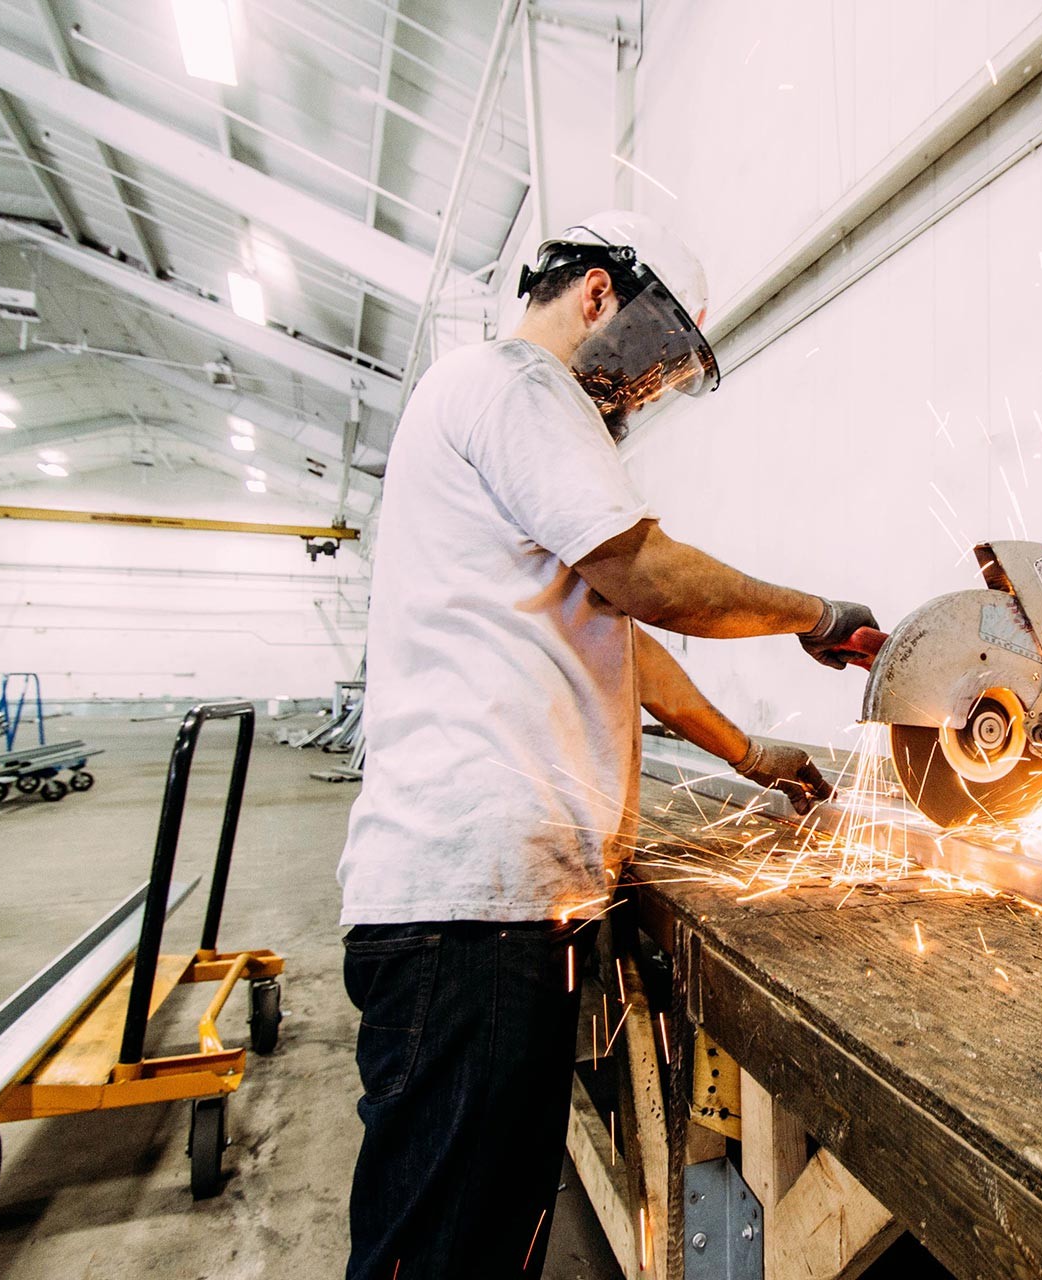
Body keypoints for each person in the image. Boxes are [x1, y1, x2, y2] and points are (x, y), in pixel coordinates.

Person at [335, 211, 877, 1279]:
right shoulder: (520, 386)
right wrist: (811, 611)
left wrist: (743, 750)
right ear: (596, 294)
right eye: (656, 354)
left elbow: (616, 629)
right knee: (444, 1251)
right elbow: (647, 578)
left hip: (480, 908)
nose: (652, 386)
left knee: (479, 1235)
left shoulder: (486, 406)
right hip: (469, 910)